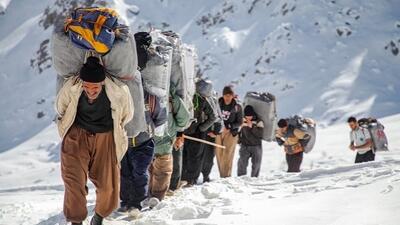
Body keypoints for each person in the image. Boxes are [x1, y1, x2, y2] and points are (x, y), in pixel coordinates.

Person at [55, 57, 133, 225]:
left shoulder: (119, 91)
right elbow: (61, 107)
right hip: (77, 136)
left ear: (102, 83)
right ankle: (76, 221)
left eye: (95, 87)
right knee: (73, 181)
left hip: (105, 138)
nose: (90, 91)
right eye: (87, 86)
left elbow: (127, 115)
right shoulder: (72, 87)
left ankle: (99, 216)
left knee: (108, 186)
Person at [119, 90, 167, 215]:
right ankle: (125, 202)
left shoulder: (150, 98)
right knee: (125, 173)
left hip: (144, 143)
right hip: (124, 142)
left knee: (140, 172)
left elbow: (160, 117)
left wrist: (148, 130)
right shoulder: (120, 94)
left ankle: (137, 203)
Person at [148, 88, 190, 204]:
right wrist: (177, 129)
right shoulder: (172, 98)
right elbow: (184, 119)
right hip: (165, 142)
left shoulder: (144, 93)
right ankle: (157, 196)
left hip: (145, 141)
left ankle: (147, 194)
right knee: (162, 171)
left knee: (148, 169)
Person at [182, 90, 216, 186]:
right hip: (182, 134)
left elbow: (213, 116)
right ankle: (183, 179)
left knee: (195, 158)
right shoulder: (182, 96)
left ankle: (191, 180)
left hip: (197, 134)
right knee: (183, 157)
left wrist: (201, 128)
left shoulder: (200, 99)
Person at [215, 86, 243, 178]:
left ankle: (226, 176)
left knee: (228, 154)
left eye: (229, 95)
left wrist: (230, 127)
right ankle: (221, 175)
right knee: (219, 153)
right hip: (219, 131)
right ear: (223, 96)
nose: (227, 98)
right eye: (225, 95)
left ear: (232, 96)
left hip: (231, 133)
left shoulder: (237, 106)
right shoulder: (218, 104)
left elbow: (240, 122)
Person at [237, 105, 264, 177]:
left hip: (256, 146)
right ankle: (241, 178)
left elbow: (260, 134)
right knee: (242, 163)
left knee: (256, 164)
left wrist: (252, 127)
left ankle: (254, 179)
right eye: (247, 116)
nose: (248, 118)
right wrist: (239, 140)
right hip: (244, 145)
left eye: (250, 116)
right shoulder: (242, 120)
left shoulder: (259, 121)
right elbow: (238, 132)